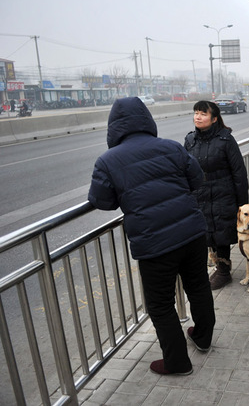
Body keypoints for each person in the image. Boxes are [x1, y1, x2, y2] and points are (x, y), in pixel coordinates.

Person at [88, 97, 215, 376]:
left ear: (114, 128)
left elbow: (102, 200)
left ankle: (178, 362)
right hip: (192, 232)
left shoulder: (107, 161)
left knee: (160, 304)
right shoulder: (170, 147)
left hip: (154, 243)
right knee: (198, 286)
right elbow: (196, 179)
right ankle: (203, 337)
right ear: (147, 120)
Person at [184, 100, 249, 290]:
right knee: (205, 233)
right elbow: (184, 168)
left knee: (221, 233)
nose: (198, 116)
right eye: (196, 112)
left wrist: (242, 204)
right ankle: (216, 266)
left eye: (203, 113)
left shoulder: (225, 139)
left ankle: (223, 271)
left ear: (214, 119)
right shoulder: (190, 140)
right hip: (200, 194)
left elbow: (239, 172)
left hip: (223, 194)